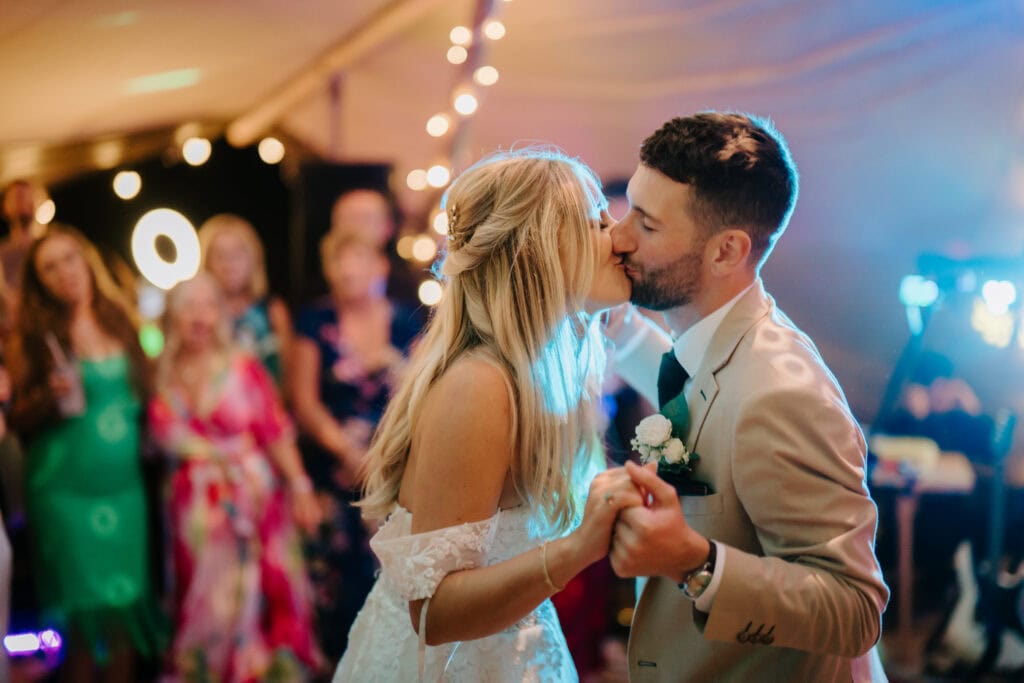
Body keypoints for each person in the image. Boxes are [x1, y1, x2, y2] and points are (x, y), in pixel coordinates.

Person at [332, 147, 642, 681]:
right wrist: (578, 547)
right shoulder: (480, 385)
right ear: (543, 250)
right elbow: (433, 612)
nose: (617, 236)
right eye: (597, 221)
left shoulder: (539, 374)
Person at [604, 112, 890, 682]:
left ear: (726, 251)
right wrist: (610, 320)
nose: (618, 236)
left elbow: (853, 609)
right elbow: (695, 390)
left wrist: (695, 561)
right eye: (628, 208)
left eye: (648, 224)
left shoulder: (782, 394)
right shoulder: (716, 340)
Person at [7, 224, 165, 682]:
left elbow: (146, 391)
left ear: (86, 260)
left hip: (124, 490)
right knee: (79, 622)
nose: (64, 274)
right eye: (49, 268)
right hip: (64, 494)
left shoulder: (121, 319)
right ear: (39, 282)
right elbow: (15, 418)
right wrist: (48, 400)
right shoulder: (35, 338)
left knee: (123, 612)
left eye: (69, 259)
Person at [147, 273, 322, 682]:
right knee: (202, 602)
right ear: (172, 315)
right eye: (188, 306)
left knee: (260, 596)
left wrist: (300, 485)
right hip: (192, 516)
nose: (199, 316)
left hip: (253, 502)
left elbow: (275, 432)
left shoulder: (243, 368)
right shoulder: (161, 375)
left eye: (208, 305)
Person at [290, 229, 422, 664]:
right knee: (338, 580)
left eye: (358, 260)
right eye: (338, 264)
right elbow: (304, 402)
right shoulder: (314, 323)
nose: (348, 272)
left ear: (380, 267)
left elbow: (425, 391)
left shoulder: (407, 319)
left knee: (390, 573)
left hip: (396, 461)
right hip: (335, 465)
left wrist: (382, 456)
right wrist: (347, 452)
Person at [198, 213, 294, 389]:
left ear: (254, 258)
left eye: (237, 254)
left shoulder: (272, 310)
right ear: (206, 261)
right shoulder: (199, 313)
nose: (229, 265)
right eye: (220, 255)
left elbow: (289, 375)